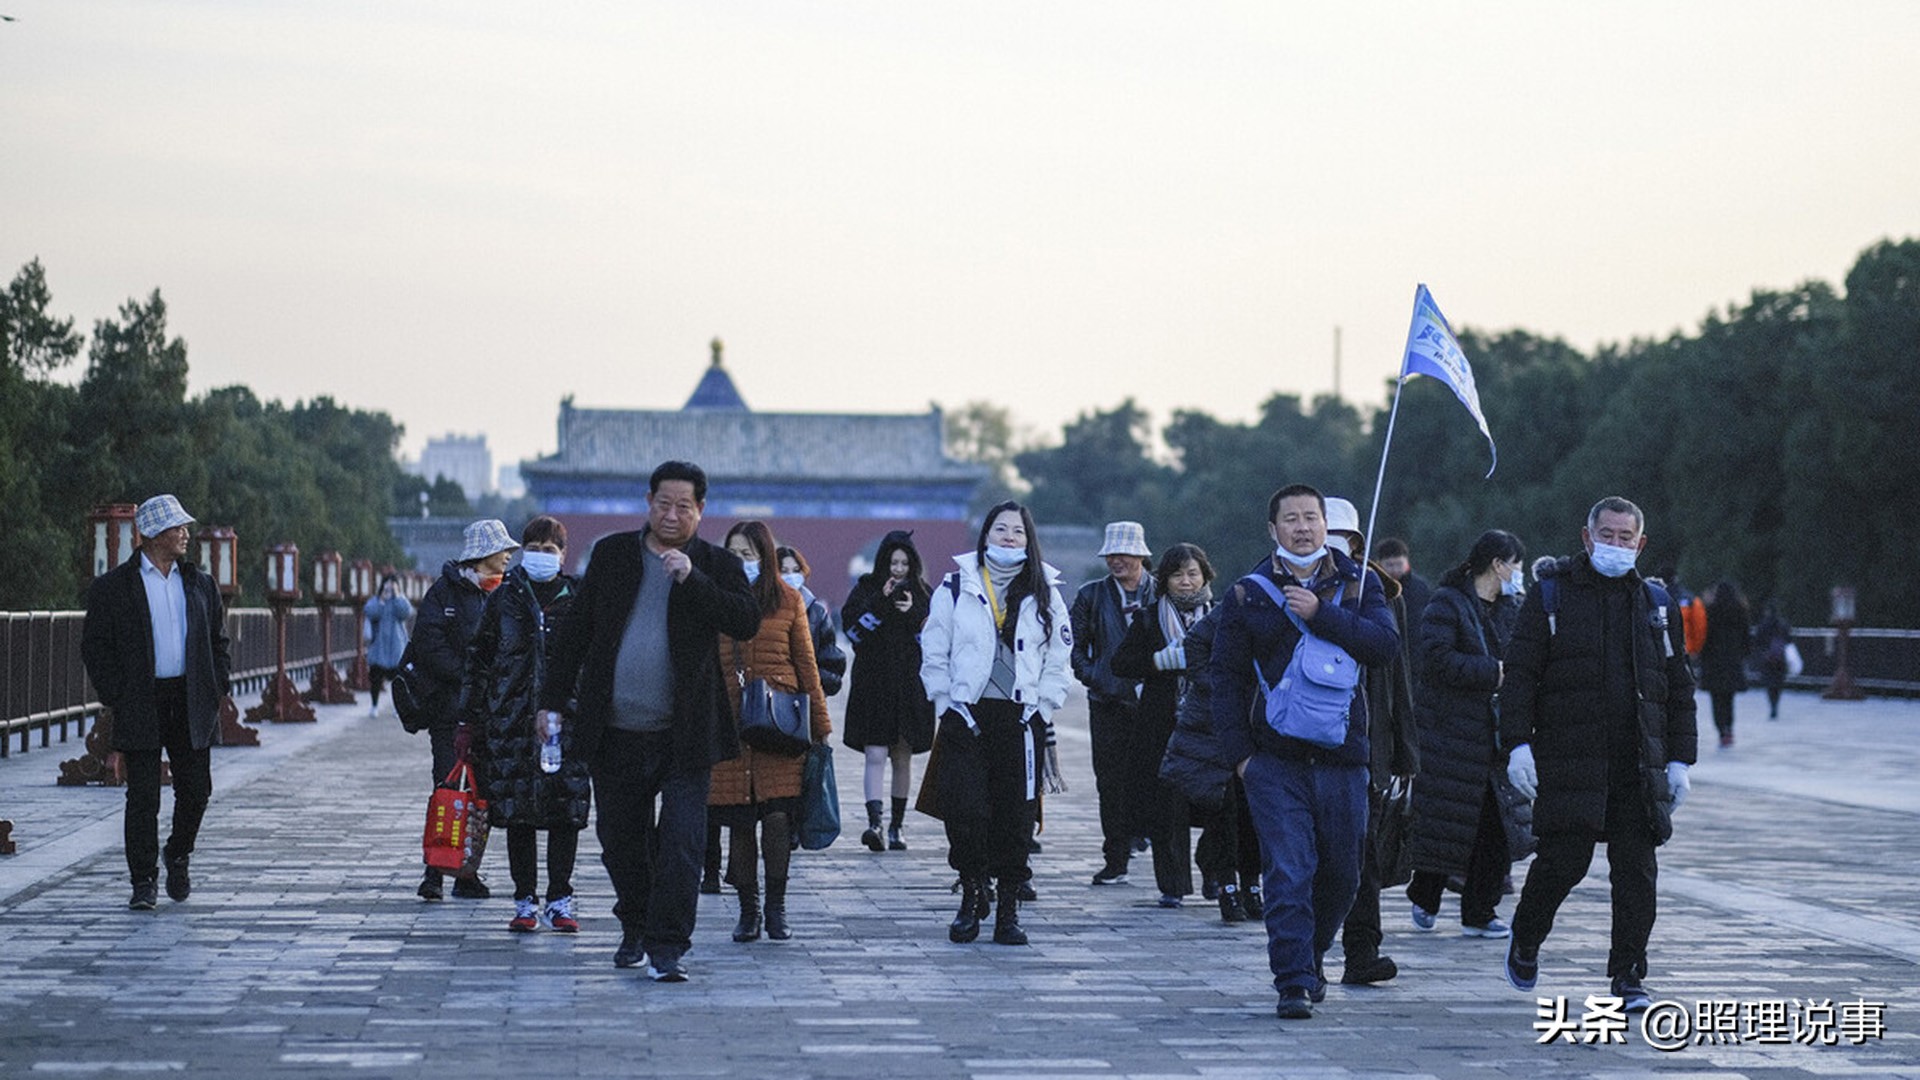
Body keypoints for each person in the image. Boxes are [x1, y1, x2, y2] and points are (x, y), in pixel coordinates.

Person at [538, 461, 760, 982]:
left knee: (682, 842)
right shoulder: (614, 555)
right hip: (615, 729)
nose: (672, 514)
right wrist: (549, 701)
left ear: (700, 511)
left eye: (684, 506)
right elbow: (576, 634)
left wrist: (693, 580)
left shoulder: (716, 564)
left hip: (685, 733)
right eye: (664, 503)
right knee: (621, 841)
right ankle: (634, 924)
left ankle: (667, 946)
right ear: (648, 502)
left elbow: (744, 619)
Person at [1500, 496, 1697, 1012]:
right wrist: (1517, 745)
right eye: (1605, 535)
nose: (1615, 545)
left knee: (1636, 871)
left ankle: (1629, 973)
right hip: (1570, 757)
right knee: (1564, 862)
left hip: (1637, 762)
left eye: (1624, 537)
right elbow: (1519, 677)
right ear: (1587, 538)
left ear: (1641, 543)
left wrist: (1680, 761)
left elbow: (1678, 686)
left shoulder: (1656, 604)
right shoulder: (1550, 596)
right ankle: (1526, 935)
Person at [1211, 484, 1399, 1020]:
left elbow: (1383, 648)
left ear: (1326, 525)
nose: (1302, 527)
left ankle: (1313, 953)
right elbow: (1224, 679)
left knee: (1342, 872)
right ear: (1273, 529)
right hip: (1274, 761)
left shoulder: (1361, 584)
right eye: (1290, 519)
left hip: (1343, 756)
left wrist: (1322, 613)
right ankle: (1292, 979)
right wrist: (1241, 758)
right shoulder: (1247, 593)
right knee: (1289, 869)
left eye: (1311, 518)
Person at [921, 500, 1072, 946]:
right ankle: (971, 895)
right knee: (964, 812)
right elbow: (934, 651)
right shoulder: (955, 587)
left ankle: (1008, 908)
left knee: (1016, 817)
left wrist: (1043, 706)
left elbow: (1058, 656)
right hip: (966, 716)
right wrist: (948, 702)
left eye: (1018, 532)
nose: (1009, 537)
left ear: (1029, 540)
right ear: (985, 535)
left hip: (1020, 718)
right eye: (1001, 529)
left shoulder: (1046, 590)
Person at [81, 494, 232, 910]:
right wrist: (117, 694)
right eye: (176, 527)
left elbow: (219, 640)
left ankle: (178, 852)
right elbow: (95, 647)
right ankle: (143, 881)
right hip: (141, 700)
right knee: (143, 796)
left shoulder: (199, 583)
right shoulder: (115, 587)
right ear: (151, 535)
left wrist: (217, 683)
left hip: (190, 698)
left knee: (197, 790)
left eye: (185, 526)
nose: (185, 534)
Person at [461, 516, 590, 934]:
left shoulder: (578, 599)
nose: (540, 556)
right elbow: (479, 660)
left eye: (549, 550)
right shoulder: (506, 598)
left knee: (565, 813)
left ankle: (560, 898)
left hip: (565, 723)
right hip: (511, 721)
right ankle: (524, 900)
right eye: (532, 548)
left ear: (563, 555)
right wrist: (472, 717)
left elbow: (594, 661)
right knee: (518, 815)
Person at [710, 521, 833, 943]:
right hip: (729, 723)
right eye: (733, 553)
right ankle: (749, 911)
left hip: (781, 722)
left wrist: (820, 724)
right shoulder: (715, 600)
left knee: (778, 817)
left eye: (747, 554)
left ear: (765, 556)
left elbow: (807, 664)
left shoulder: (788, 600)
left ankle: (776, 907)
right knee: (740, 823)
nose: (740, 562)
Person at [1405, 529, 1528, 941]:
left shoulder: (1511, 608)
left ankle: (1480, 910)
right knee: (1448, 820)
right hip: (1451, 733)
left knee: (1497, 827)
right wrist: (1492, 673)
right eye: (1516, 565)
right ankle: (1425, 893)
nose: (1518, 574)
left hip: (1496, 737)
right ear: (1497, 564)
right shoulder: (1448, 603)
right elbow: (1436, 659)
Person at [1324, 498, 1419, 987]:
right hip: (1306, 745)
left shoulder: (1381, 594)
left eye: (1343, 537)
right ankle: (1307, 953)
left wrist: (1405, 750)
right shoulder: (1281, 587)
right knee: (1314, 859)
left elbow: (1396, 674)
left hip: (1367, 745)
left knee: (1364, 856)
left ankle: (1362, 951)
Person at [411, 518, 519, 902]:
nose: (509, 555)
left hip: (492, 713)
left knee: (482, 793)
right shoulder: (445, 593)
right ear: (483, 554)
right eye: (502, 549)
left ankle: (466, 872)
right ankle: (435, 872)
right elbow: (428, 643)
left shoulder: (506, 593)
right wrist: (468, 676)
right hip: (451, 711)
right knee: (447, 787)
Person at [1111, 542, 1214, 908]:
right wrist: (1157, 662)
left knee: (1215, 803)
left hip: (1209, 723)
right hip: (1161, 724)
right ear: (1164, 579)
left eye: (1192, 574)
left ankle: (1215, 870)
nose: (1185, 582)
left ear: (1204, 575)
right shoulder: (1149, 617)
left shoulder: (1219, 616)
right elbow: (1121, 664)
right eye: (1177, 575)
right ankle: (1172, 884)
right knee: (1167, 807)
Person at [1159, 595, 1263, 925]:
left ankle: (1252, 884)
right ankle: (1227, 885)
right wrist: (1216, 685)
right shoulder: (1248, 594)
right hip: (1221, 727)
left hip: (1265, 724)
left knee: (1255, 813)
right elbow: (1195, 643)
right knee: (1225, 809)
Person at [1069, 520, 1155, 885]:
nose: (1117, 561)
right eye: (1112, 555)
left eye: (1124, 554)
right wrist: (1095, 675)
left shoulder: (1160, 592)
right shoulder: (1092, 595)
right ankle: (1115, 856)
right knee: (1109, 781)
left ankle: (1155, 846)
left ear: (1140, 554)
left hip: (1153, 699)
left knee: (1154, 778)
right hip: (1106, 700)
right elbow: (1073, 646)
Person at [840, 530, 935, 852]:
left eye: (904, 563)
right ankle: (874, 824)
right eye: (893, 562)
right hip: (873, 685)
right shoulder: (866, 589)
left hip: (909, 686)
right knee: (875, 753)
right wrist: (881, 602)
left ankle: (897, 825)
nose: (897, 569)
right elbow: (854, 632)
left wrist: (912, 616)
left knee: (902, 756)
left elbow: (934, 642)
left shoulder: (924, 594)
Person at [778, 545, 846, 699]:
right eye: (784, 571)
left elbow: (832, 660)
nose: (790, 576)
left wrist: (817, 687)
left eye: (796, 570)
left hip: (805, 699)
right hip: (770, 697)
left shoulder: (816, 613)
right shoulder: (761, 609)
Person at [1698, 580, 1752, 749]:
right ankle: (1729, 728)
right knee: (1729, 699)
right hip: (1733, 661)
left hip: (1714, 662)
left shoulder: (1710, 611)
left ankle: (1721, 730)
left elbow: (1704, 636)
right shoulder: (1741, 611)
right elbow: (1746, 637)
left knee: (1717, 698)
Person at [1374, 537, 1433, 676]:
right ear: (1379, 564)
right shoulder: (1374, 587)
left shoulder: (1420, 588)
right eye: (1389, 565)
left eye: (1399, 564)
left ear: (1407, 562)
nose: (1395, 570)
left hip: (1415, 657)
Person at [362, 574, 412, 717]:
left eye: (392, 584)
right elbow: (370, 612)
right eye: (387, 584)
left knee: (398, 681)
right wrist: (382, 600)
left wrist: (396, 596)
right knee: (376, 679)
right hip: (379, 647)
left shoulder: (400, 600)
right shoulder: (376, 600)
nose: (389, 588)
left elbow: (405, 613)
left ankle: (398, 708)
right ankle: (374, 706)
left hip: (397, 647)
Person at [1753, 601, 1793, 719]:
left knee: (1769, 683)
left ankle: (1772, 704)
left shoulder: (1763, 625)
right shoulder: (1783, 624)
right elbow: (1789, 640)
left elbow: (1757, 641)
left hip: (1767, 658)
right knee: (1779, 682)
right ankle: (1776, 703)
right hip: (1781, 658)